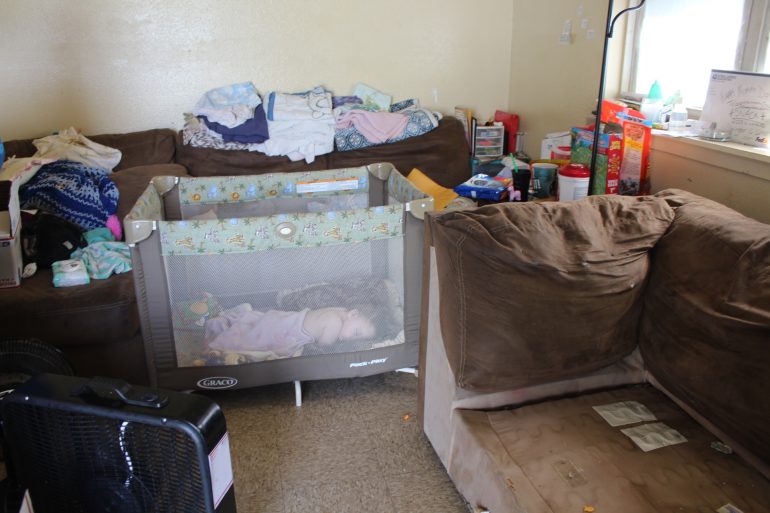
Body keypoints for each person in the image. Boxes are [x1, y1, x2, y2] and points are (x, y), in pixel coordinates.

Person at [204, 304, 382, 357]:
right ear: (353, 314)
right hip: (286, 330)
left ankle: (231, 319)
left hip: (285, 318)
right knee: (252, 341)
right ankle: (220, 338)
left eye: (357, 339)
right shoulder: (335, 323)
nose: (352, 339)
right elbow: (325, 347)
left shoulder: (339, 310)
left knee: (256, 323)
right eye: (356, 333)